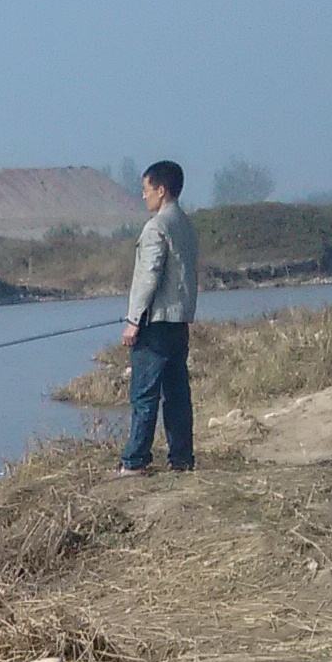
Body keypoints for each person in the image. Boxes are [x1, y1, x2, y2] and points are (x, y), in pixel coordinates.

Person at [119, 161, 200, 473]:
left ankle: (135, 461)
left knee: (144, 394)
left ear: (161, 190)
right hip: (179, 321)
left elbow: (148, 276)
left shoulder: (157, 227)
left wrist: (133, 320)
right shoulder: (185, 224)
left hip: (154, 324)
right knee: (177, 394)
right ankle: (181, 459)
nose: (144, 197)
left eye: (146, 190)